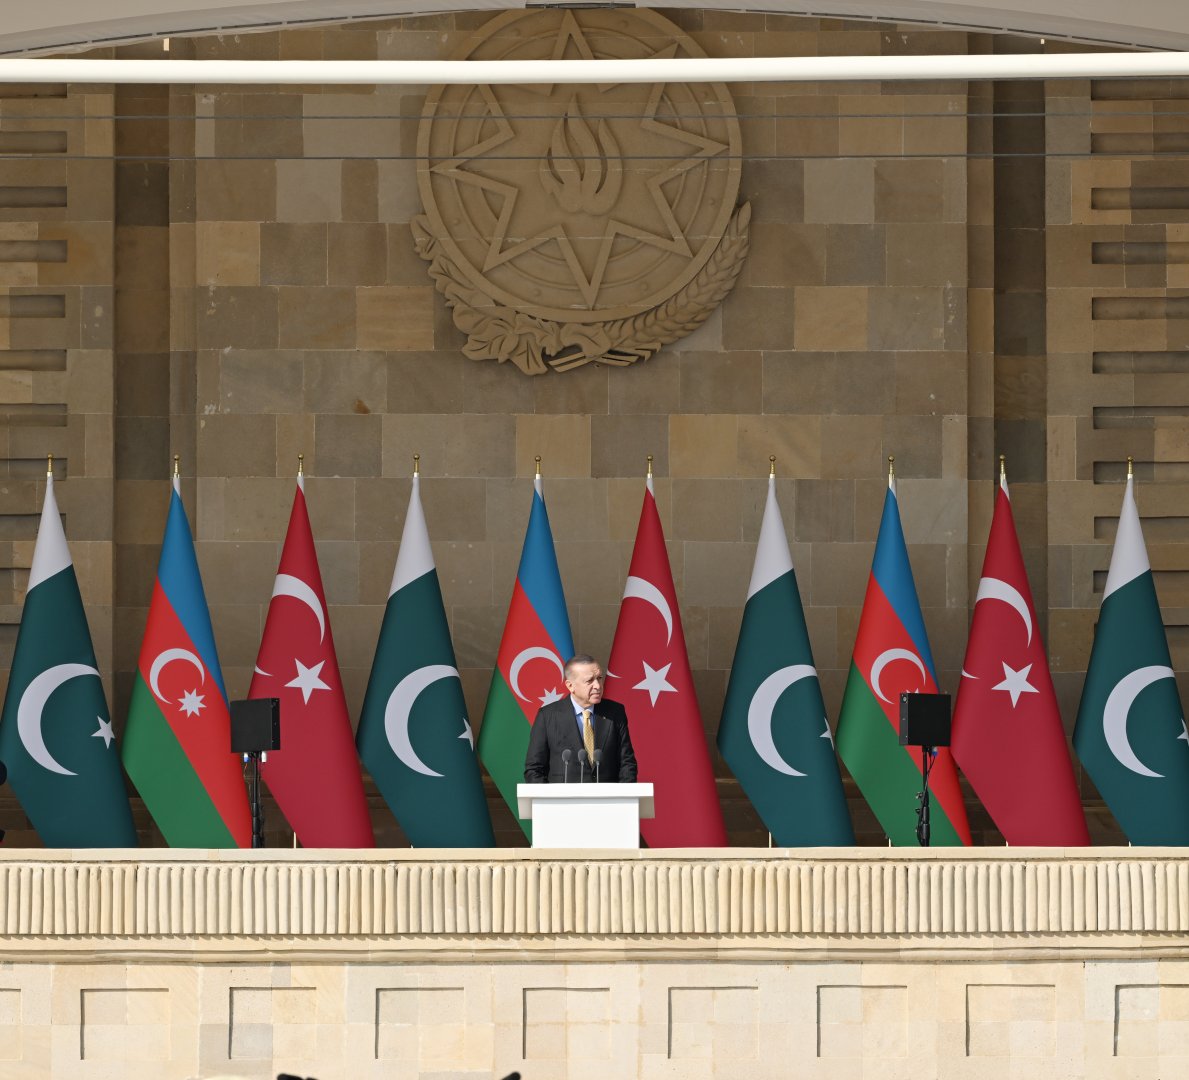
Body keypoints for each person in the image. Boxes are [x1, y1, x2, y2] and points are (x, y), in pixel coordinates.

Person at [524, 654, 637, 783]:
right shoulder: (548, 716)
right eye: (589, 681)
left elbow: (627, 763)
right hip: (563, 796)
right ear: (570, 686)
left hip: (607, 795)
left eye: (599, 678)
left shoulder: (615, 712)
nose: (598, 686)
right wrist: (548, 796)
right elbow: (534, 769)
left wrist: (623, 794)